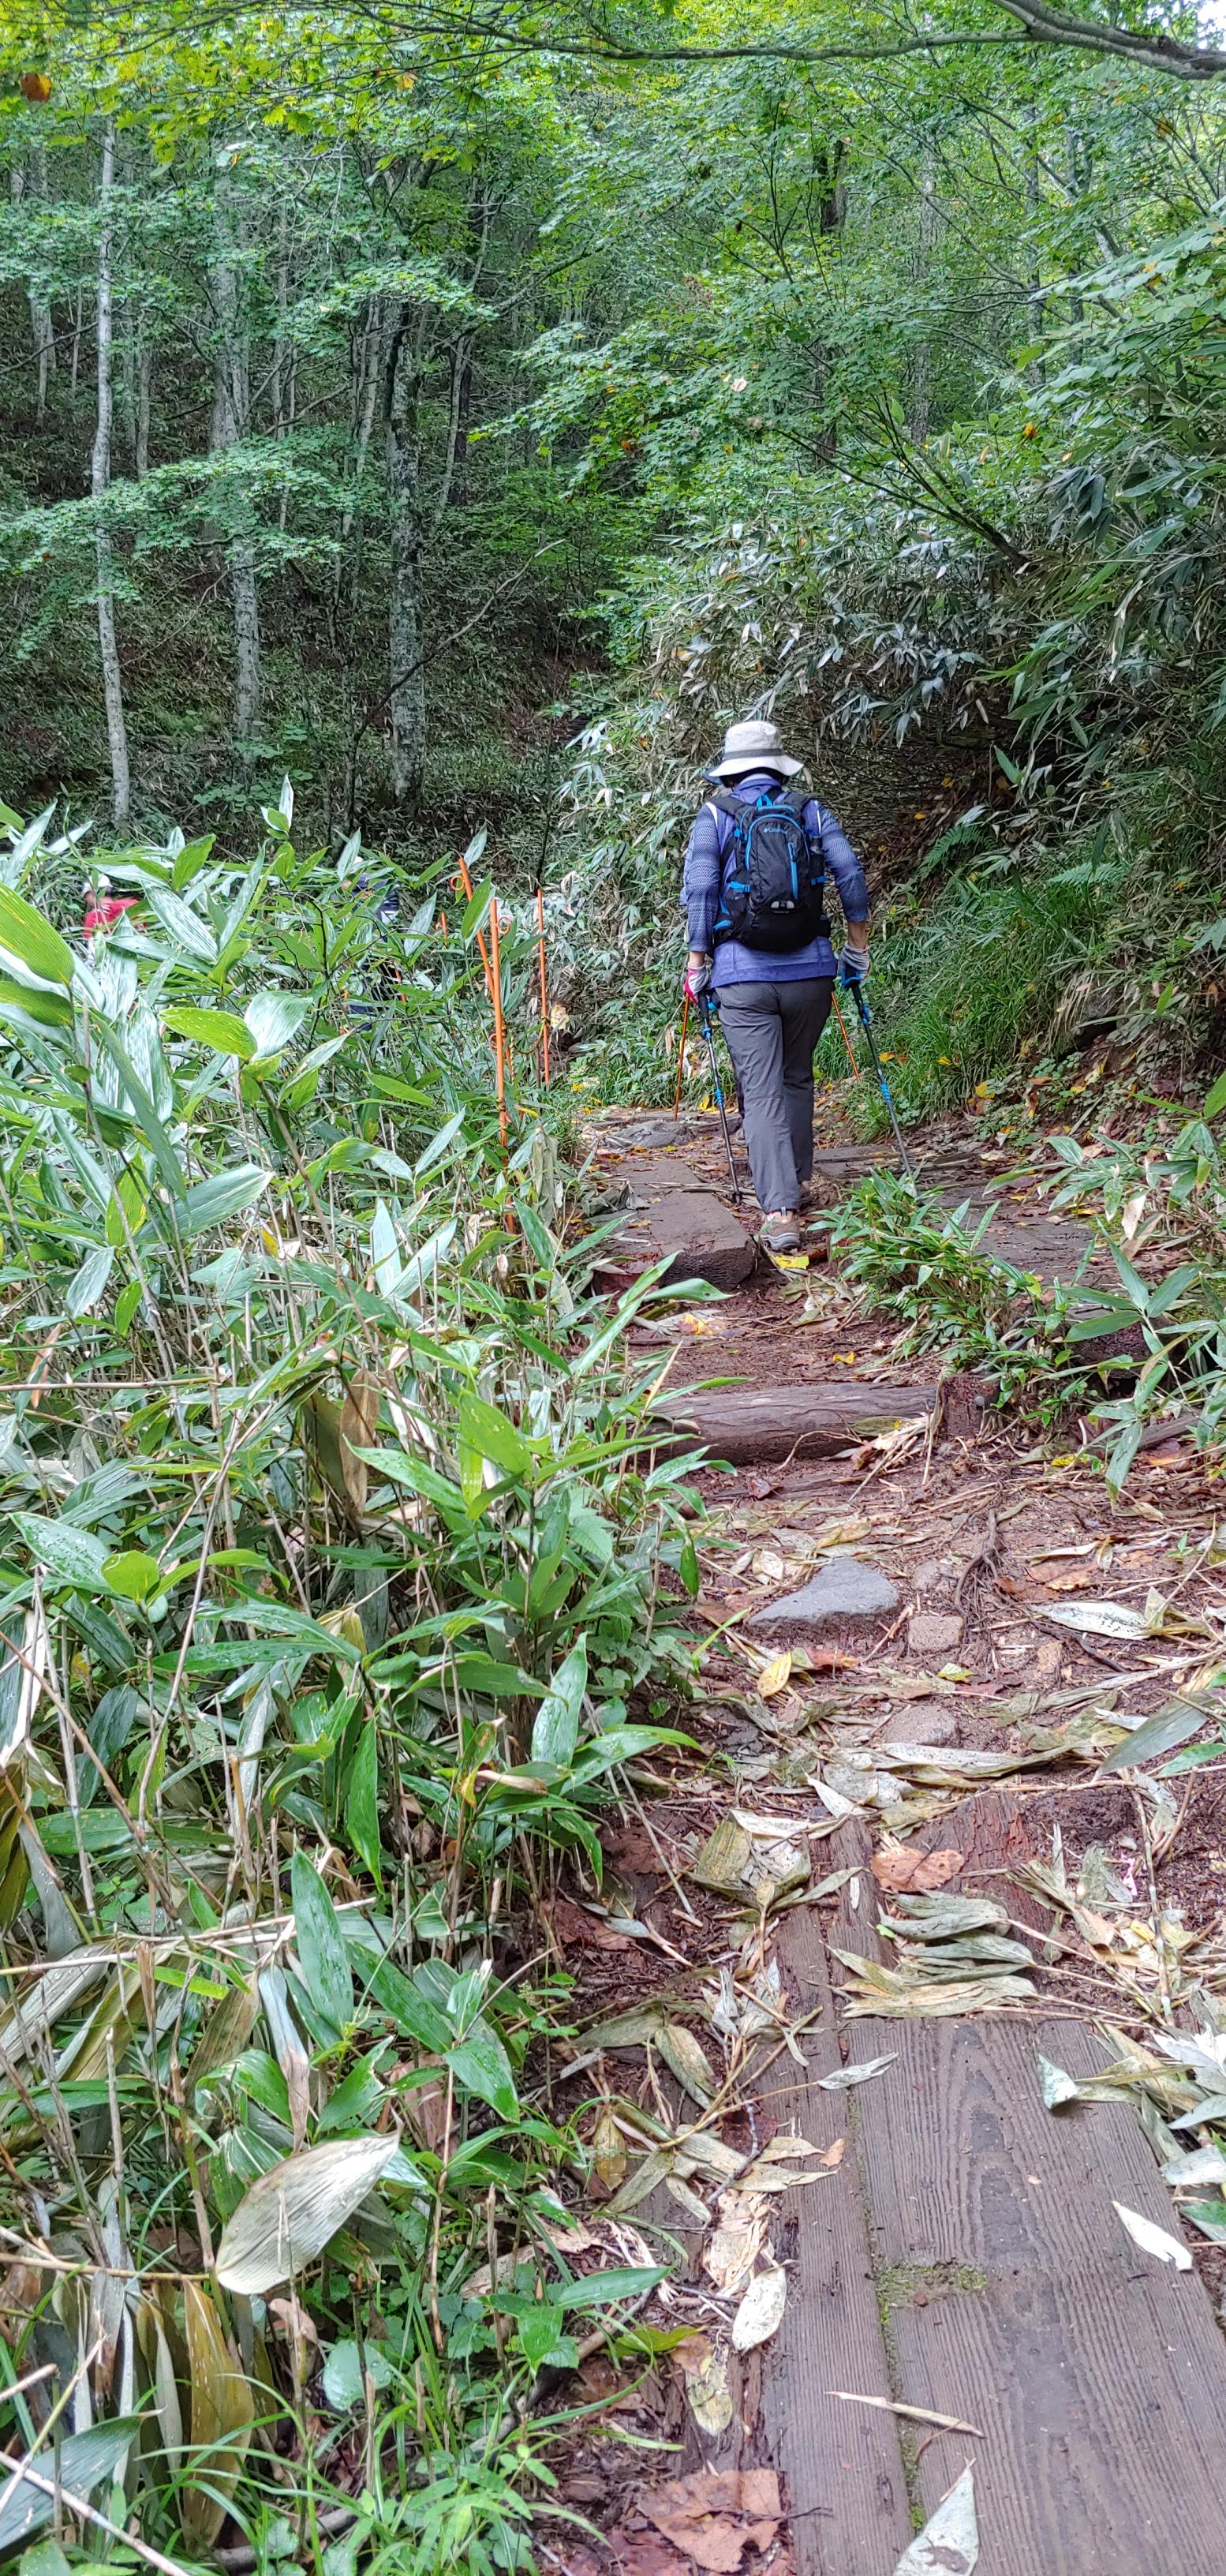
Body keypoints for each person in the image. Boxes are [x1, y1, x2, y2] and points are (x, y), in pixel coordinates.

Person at [681, 716, 870, 1252]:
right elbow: (850, 873)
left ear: (731, 772)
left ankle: (781, 1212)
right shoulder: (811, 811)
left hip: (742, 977)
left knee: (760, 1089)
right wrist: (857, 947)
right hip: (811, 972)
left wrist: (697, 962)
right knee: (796, 1077)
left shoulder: (715, 815)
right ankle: (797, 1181)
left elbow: (702, 890)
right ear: (778, 767)